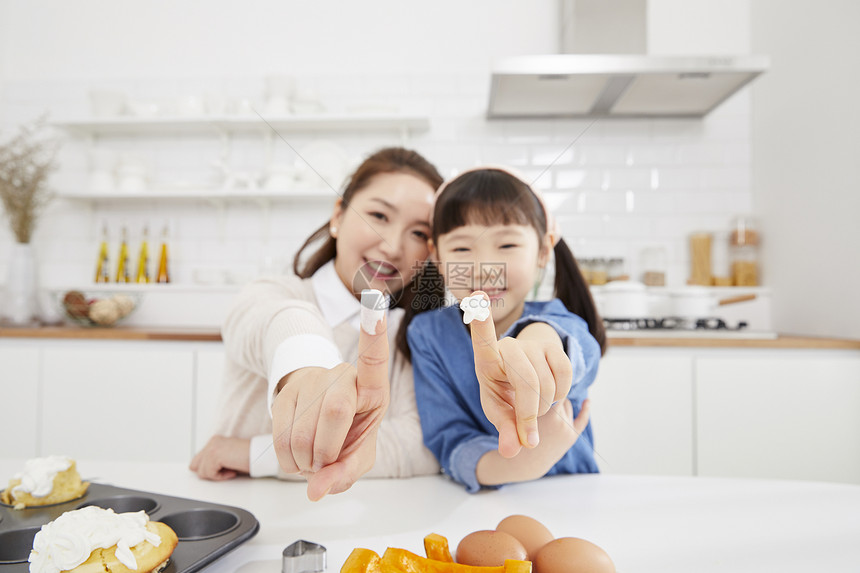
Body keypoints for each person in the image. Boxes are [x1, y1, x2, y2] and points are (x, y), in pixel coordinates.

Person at [190, 147, 444, 500]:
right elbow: (283, 320)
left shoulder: (406, 332)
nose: (392, 246)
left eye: (418, 233)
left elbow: (421, 446)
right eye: (379, 215)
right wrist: (309, 367)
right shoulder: (274, 293)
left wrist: (253, 454)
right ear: (338, 215)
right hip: (240, 507)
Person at [405, 166, 607, 493]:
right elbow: (451, 441)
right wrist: (523, 462)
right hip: (483, 500)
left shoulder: (559, 321)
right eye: (461, 249)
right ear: (438, 259)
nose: (485, 268)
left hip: (573, 495)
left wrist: (538, 337)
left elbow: (582, 353)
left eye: (507, 245)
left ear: (543, 251)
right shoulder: (427, 335)